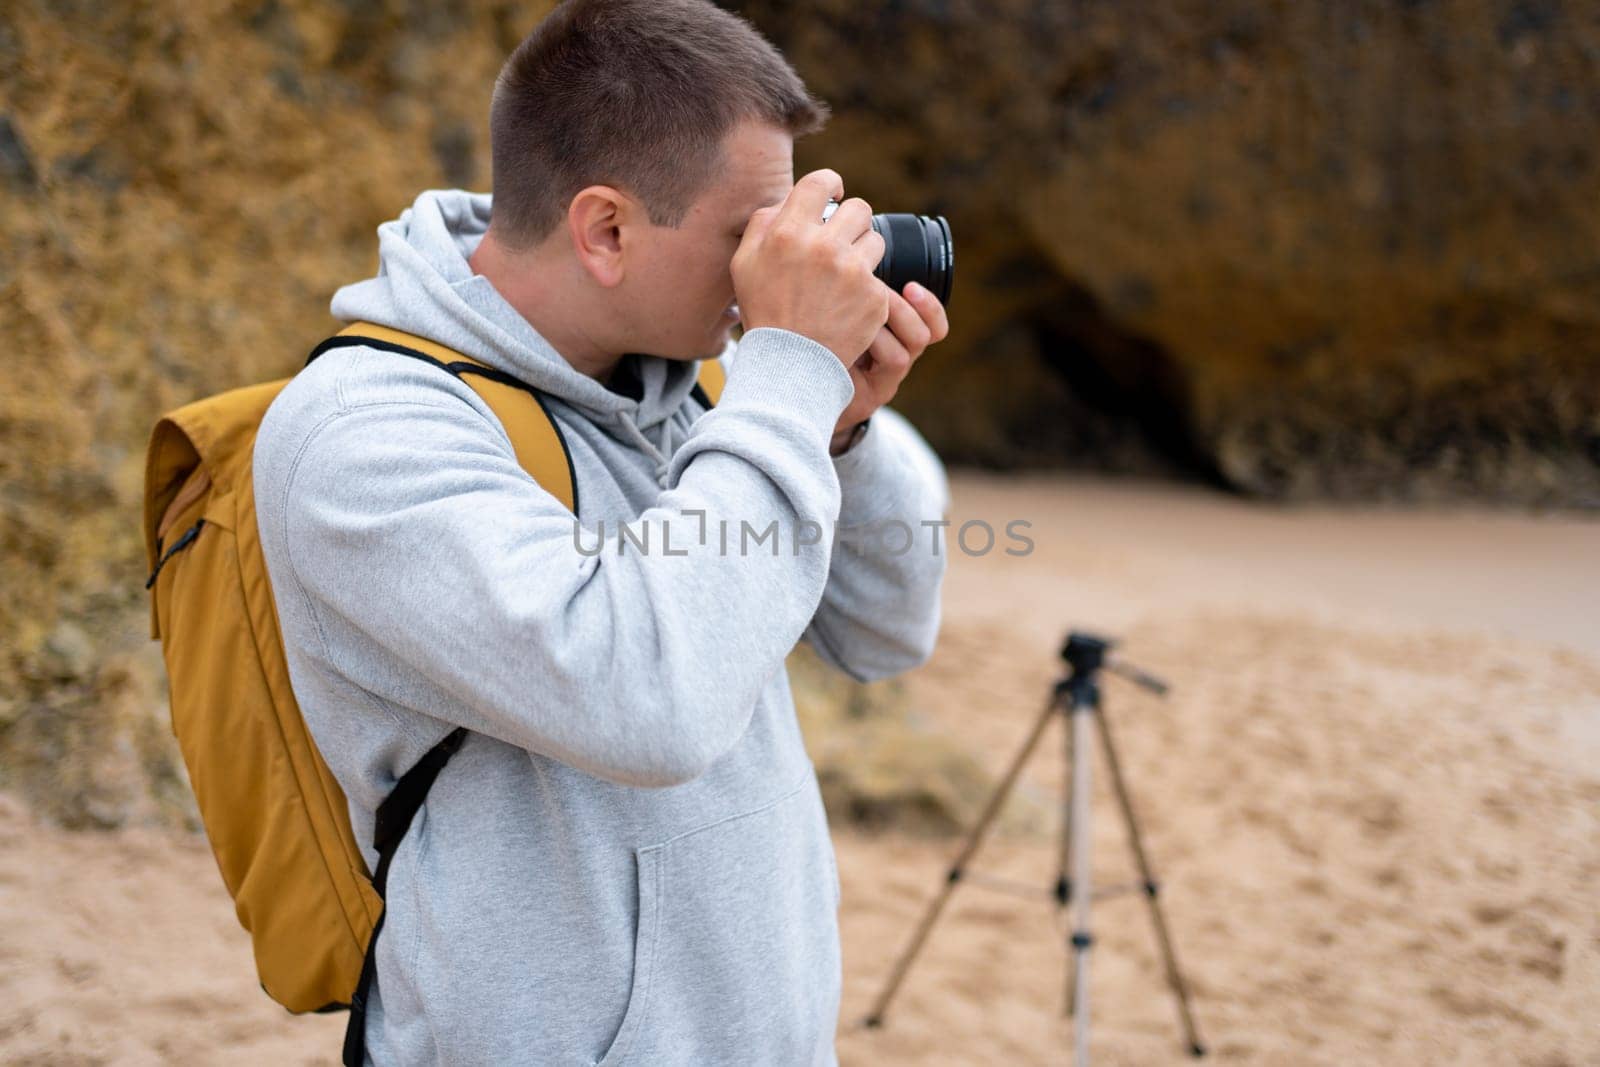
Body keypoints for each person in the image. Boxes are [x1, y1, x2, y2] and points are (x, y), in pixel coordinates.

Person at [253, 0, 950, 1063]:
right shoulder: (361, 435)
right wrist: (782, 379)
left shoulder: (705, 389)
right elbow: (648, 700)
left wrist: (840, 426)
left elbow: (884, 632)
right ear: (607, 229)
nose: (784, 264)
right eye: (748, 234)